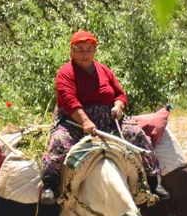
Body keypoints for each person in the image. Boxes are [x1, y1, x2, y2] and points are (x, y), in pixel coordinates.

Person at [41, 30, 170, 205]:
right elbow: (69, 101)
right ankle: (50, 186)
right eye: (80, 50)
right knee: (59, 142)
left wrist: (118, 105)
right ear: (71, 51)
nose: (85, 54)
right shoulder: (65, 73)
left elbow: (120, 93)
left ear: (94, 51)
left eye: (89, 49)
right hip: (75, 122)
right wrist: (85, 121)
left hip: (108, 120)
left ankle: (153, 182)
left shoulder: (104, 70)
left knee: (137, 134)